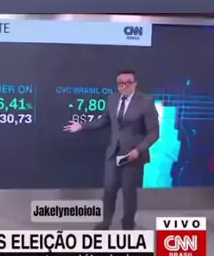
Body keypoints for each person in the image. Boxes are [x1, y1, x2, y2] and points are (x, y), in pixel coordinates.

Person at [63, 71, 159, 230]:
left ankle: (128, 223)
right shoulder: (113, 99)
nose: (124, 85)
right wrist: (82, 126)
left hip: (132, 155)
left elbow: (153, 133)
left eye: (128, 82)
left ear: (135, 83)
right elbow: (105, 119)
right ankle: (105, 222)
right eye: (121, 82)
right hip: (114, 154)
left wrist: (138, 150)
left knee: (128, 192)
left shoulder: (146, 102)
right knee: (109, 190)